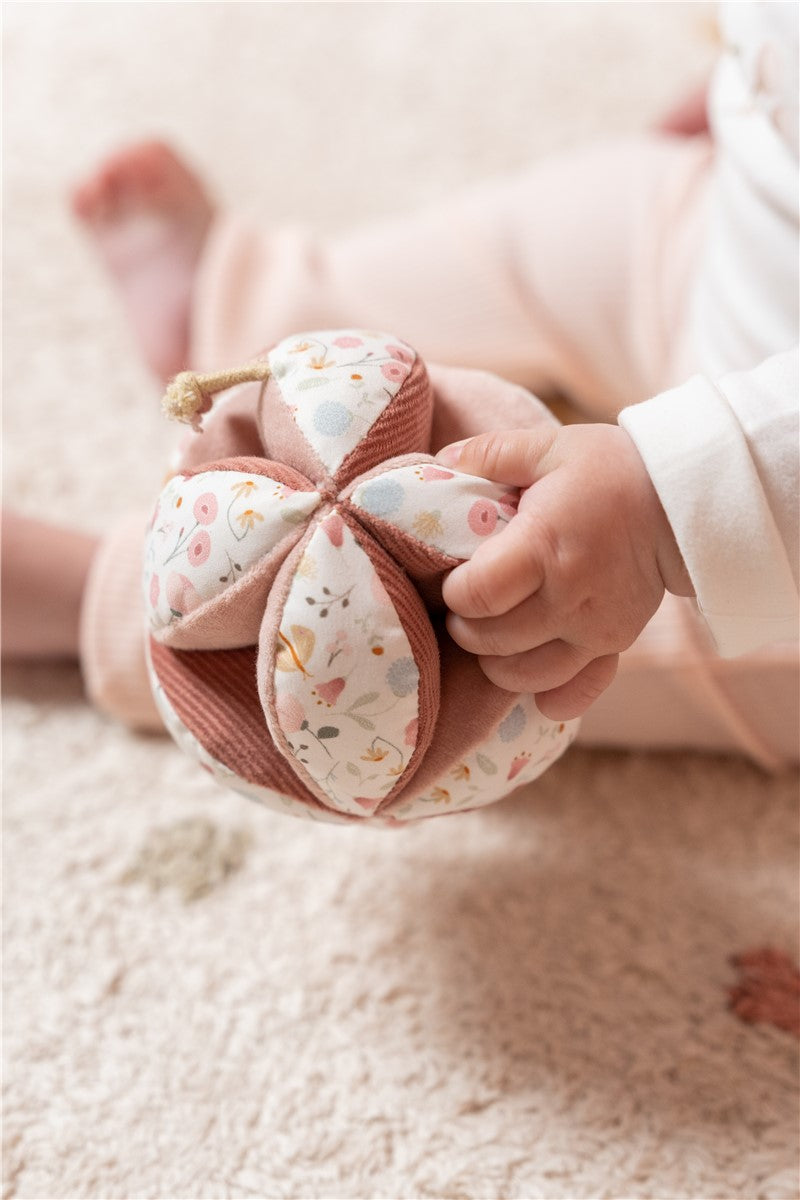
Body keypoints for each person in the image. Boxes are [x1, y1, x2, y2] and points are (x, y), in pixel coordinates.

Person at [3, 2, 798, 769]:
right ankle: (263, 305)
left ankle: (114, 601)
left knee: (510, 629)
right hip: (735, 255)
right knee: (576, 222)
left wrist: (658, 512)